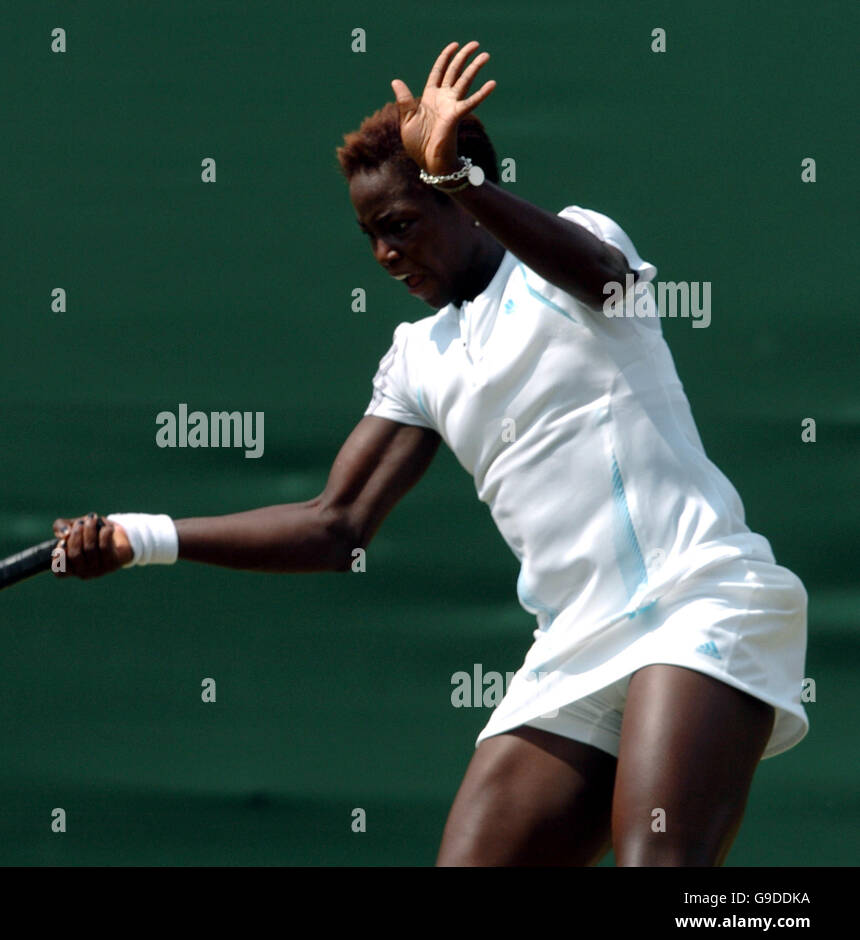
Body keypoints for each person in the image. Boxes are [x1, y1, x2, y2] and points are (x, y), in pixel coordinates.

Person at [50, 41, 809, 866]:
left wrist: (456, 175)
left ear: (460, 199)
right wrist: (142, 537)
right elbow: (334, 525)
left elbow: (609, 280)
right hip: (570, 649)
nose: (384, 255)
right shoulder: (418, 357)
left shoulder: (571, 251)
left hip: (696, 599)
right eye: (369, 235)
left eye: (401, 225)